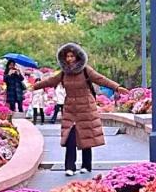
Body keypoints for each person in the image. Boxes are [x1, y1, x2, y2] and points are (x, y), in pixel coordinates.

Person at [31, 43, 128, 176]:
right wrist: (34, 86)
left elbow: (101, 79)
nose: (69, 59)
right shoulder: (64, 74)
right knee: (69, 137)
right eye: (67, 57)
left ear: (77, 57)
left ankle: (86, 165)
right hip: (70, 107)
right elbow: (50, 81)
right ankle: (69, 167)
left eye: (72, 56)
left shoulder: (85, 70)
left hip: (86, 106)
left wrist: (117, 87)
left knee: (86, 135)